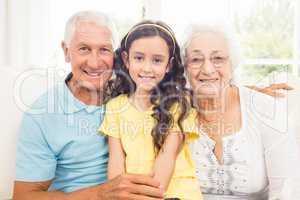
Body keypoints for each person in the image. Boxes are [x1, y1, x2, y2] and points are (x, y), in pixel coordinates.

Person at [13, 11, 165, 200]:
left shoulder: (133, 94)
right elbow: (22, 196)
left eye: (104, 50)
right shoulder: (42, 115)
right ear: (66, 51)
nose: (94, 63)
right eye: (84, 49)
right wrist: (100, 194)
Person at [181, 24, 300, 200]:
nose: (207, 69)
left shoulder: (266, 109)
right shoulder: (174, 111)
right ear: (185, 67)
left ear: (232, 64)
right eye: (196, 59)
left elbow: (286, 190)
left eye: (218, 58)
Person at [99, 20, 202, 199]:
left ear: (168, 65)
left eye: (157, 60)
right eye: (139, 58)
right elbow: (116, 161)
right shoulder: (115, 106)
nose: (147, 68)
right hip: (133, 195)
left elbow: (167, 158)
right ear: (126, 59)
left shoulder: (178, 103)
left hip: (174, 193)